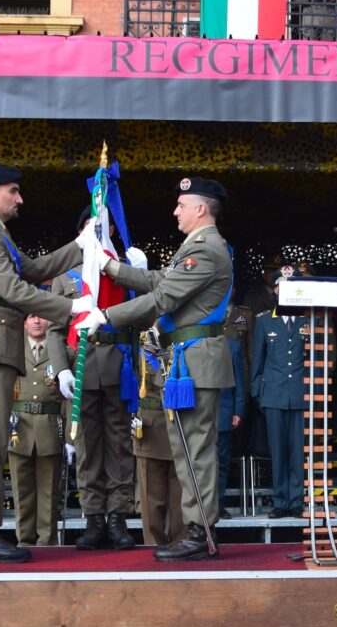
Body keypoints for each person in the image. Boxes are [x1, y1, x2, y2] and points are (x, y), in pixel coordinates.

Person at [76, 176, 234, 561]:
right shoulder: (196, 248)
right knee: (186, 447)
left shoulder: (207, 250)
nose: (175, 211)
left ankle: (200, 530)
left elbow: (162, 297)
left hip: (195, 360)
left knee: (195, 449)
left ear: (200, 208)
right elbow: (157, 280)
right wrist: (110, 268)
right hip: (187, 360)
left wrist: (106, 314)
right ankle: (198, 528)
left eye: (181, 205)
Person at [0, 164, 92, 564]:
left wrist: (81, 245)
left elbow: (30, 269)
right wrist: (70, 305)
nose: (19, 198)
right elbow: (14, 288)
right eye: (13, 191)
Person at [49, 206, 137, 552]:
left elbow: (136, 322)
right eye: (92, 225)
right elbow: (55, 328)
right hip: (81, 365)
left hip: (117, 366)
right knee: (86, 446)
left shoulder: (123, 268)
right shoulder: (65, 275)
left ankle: (117, 518)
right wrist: (61, 369)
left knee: (119, 446)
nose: (100, 230)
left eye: (105, 225)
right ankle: (93, 517)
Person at [251, 270, 311, 519]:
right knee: (278, 450)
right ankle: (279, 500)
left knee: (297, 451)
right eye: (280, 286)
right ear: (275, 290)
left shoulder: (309, 320)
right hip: (273, 394)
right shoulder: (264, 321)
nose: (283, 291)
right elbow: (258, 360)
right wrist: (257, 393)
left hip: (300, 393)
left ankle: (296, 501)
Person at [8, 314, 66, 546]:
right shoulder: (12, 348)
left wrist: (72, 433)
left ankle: (47, 542)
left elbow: (70, 393)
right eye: (30, 317)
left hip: (49, 425)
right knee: (21, 490)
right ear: (23, 322)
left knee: (49, 490)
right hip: (18, 426)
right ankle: (24, 540)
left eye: (41, 316)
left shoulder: (61, 350)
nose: (36, 321)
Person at [133, 346, 184, 546]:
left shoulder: (181, 339)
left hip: (178, 422)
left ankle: (181, 542)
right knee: (151, 498)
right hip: (150, 425)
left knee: (180, 498)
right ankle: (153, 545)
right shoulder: (139, 340)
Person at [216, 328, 247, 520]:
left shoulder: (233, 346)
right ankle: (203, 504)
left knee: (222, 462)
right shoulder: (196, 343)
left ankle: (219, 503)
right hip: (200, 412)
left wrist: (238, 410)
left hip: (224, 411)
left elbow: (239, 382)